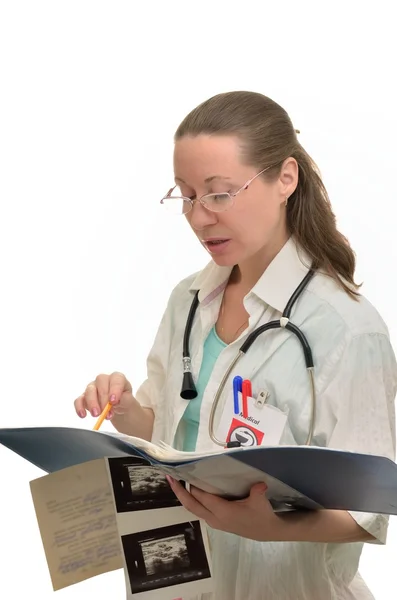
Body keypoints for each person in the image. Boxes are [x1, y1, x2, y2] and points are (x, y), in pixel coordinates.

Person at [74, 91, 397, 600]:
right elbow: (170, 436)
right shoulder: (189, 298)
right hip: (178, 581)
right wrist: (128, 411)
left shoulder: (348, 330)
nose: (199, 218)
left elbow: (370, 508)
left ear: (285, 179)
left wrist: (271, 528)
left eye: (219, 193)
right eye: (186, 195)